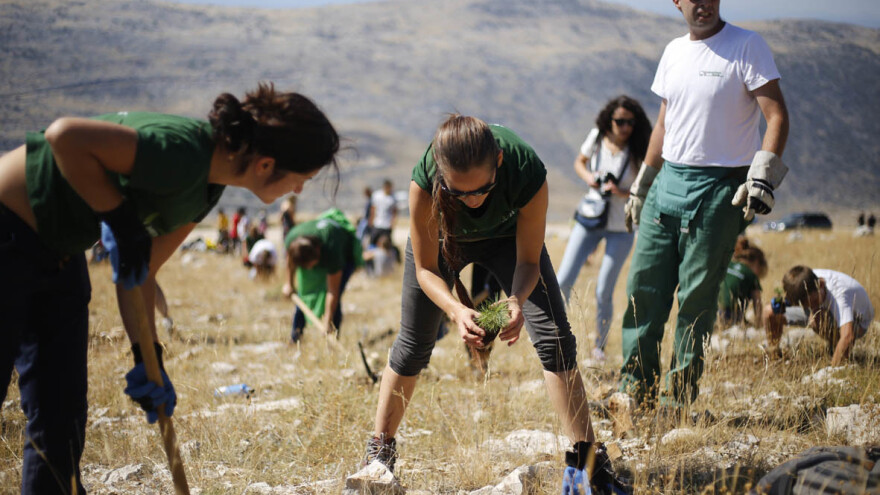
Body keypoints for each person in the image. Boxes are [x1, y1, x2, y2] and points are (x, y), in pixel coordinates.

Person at [0, 82, 339, 494]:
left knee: (60, 417)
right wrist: (119, 216)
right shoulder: (181, 150)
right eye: (303, 179)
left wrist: (149, 358)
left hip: (59, 252)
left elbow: (143, 273)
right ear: (266, 164)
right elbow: (64, 137)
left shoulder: (206, 189)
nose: (300, 190)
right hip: (9, 230)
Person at [360, 115, 627, 494]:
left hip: (508, 240)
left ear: (498, 162)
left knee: (554, 338)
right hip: (445, 243)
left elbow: (530, 262)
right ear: (441, 176)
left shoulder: (526, 170)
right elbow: (425, 271)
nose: (472, 200)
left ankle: (588, 465)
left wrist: (516, 300)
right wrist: (454, 310)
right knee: (413, 346)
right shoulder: (424, 183)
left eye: (482, 189)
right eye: (459, 193)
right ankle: (378, 457)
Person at [619, 0, 790, 409]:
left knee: (696, 300)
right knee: (642, 290)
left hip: (720, 189)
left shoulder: (747, 46)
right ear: (676, 1)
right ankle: (634, 392)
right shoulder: (674, 51)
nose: (705, 3)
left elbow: (777, 115)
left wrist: (761, 174)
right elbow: (663, 123)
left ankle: (676, 402)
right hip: (667, 183)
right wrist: (642, 183)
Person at [555, 95, 652, 362]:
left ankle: (600, 346)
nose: (625, 127)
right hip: (590, 217)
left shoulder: (640, 147)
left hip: (621, 226)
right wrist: (592, 180)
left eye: (630, 122)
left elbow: (648, 183)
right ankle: (555, 337)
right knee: (562, 280)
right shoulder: (597, 136)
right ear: (609, 120)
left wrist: (620, 192)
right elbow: (579, 162)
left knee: (603, 289)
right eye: (620, 121)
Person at [764, 266, 874, 365]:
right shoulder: (803, 282)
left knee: (817, 317)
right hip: (823, 310)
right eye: (804, 305)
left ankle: (835, 349)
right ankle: (774, 356)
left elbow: (848, 336)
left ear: (821, 284)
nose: (811, 307)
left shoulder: (839, 294)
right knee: (769, 311)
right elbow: (799, 301)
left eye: (814, 301)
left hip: (858, 323)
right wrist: (783, 304)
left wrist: (830, 373)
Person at [282, 209, 362, 342]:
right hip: (316, 250)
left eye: (310, 265)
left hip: (345, 255)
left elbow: (333, 291)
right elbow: (290, 261)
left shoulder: (333, 250)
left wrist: (327, 321)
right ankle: (295, 337)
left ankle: (332, 338)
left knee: (335, 298)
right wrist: (289, 284)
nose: (310, 269)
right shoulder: (292, 238)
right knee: (303, 294)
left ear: (318, 252)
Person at [717, 237, 767, 328]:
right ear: (756, 262)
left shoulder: (728, 264)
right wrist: (758, 324)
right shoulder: (751, 274)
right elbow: (757, 302)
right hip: (730, 315)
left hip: (712, 311)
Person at [369, 179, 397, 246]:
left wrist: (392, 223)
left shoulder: (393, 198)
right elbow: (373, 209)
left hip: (387, 225)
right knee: (373, 242)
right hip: (377, 223)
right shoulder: (377, 195)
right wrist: (371, 220)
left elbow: (395, 212)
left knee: (387, 244)